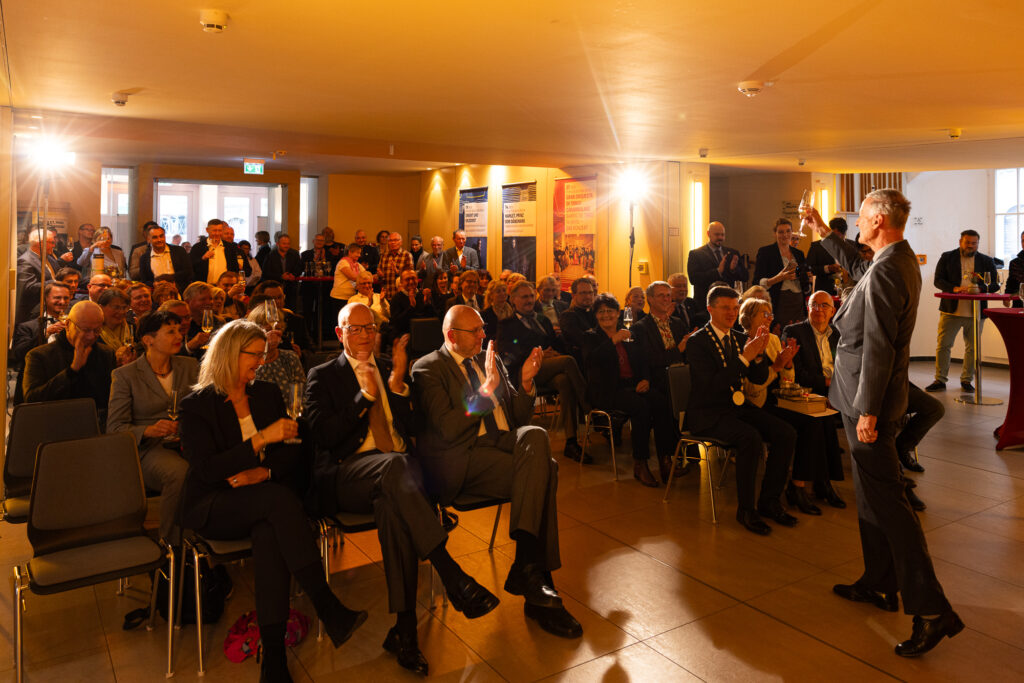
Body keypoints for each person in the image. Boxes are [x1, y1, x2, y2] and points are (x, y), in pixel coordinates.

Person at [804, 189, 962, 657]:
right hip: (863, 400)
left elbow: (878, 345)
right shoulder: (894, 259)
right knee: (873, 500)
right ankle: (878, 582)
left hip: (867, 403)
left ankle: (932, 610)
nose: (857, 225)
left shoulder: (889, 267)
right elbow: (859, 269)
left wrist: (869, 409)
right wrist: (820, 232)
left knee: (890, 504)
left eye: (861, 218)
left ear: (875, 220)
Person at [306, 303, 498, 674]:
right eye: (355, 329)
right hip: (347, 475)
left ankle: (405, 632)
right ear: (339, 333)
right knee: (397, 470)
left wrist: (397, 385)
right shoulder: (323, 374)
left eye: (370, 328)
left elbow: (412, 427)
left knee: (395, 508)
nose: (364, 335)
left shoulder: (389, 368)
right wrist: (364, 398)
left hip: (395, 477)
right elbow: (325, 436)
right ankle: (450, 573)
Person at [178, 319, 368, 681]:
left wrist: (264, 472)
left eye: (264, 355)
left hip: (264, 497)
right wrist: (260, 439)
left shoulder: (265, 393)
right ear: (231, 354)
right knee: (278, 503)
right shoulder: (196, 406)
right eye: (255, 355)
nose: (262, 362)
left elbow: (291, 452)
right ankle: (326, 604)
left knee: (269, 531)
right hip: (215, 503)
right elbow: (206, 470)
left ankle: (274, 658)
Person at [411, 305, 582, 640]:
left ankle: (528, 569)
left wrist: (527, 382)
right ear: (451, 336)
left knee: (536, 436)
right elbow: (447, 428)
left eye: (482, 328)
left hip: (504, 443)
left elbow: (519, 419)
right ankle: (536, 584)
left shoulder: (489, 359)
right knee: (545, 471)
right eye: (474, 331)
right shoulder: (427, 368)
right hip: (465, 456)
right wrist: (486, 390)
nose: (482, 336)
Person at [685, 286, 797, 535]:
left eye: (735, 308)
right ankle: (746, 509)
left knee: (786, 433)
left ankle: (769, 500)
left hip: (736, 407)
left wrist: (761, 356)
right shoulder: (697, 342)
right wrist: (745, 358)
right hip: (708, 412)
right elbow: (711, 387)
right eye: (725, 308)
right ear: (710, 309)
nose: (732, 313)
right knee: (750, 438)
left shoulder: (738, 337)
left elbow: (757, 379)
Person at [107, 310, 197, 542]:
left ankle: (206, 538)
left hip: (188, 440)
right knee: (180, 473)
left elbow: (204, 405)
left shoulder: (189, 366)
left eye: (179, 330)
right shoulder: (125, 376)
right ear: (148, 340)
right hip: (149, 448)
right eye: (170, 332)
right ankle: (173, 546)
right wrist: (148, 430)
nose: (179, 336)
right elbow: (115, 428)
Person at [582, 294, 675, 486]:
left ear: (618, 314)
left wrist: (645, 379)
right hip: (608, 392)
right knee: (641, 407)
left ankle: (666, 459)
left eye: (610, 311)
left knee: (661, 401)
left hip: (632, 386)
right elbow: (592, 360)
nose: (606, 315)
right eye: (601, 312)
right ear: (596, 315)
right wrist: (613, 340)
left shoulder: (629, 334)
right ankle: (640, 463)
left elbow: (643, 361)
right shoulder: (590, 336)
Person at [498, 281, 588, 462]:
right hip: (523, 372)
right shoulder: (507, 324)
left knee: (564, 381)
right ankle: (589, 407)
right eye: (524, 297)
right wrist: (538, 354)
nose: (529, 300)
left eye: (531, 296)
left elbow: (554, 343)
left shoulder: (542, 319)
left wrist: (556, 349)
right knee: (568, 361)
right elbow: (506, 354)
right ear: (513, 300)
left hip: (548, 368)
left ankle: (571, 442)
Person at [780, 292, 847, 512]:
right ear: (807, 308)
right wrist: (829, 382)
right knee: (820, 419)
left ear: (832, 311)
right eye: (814, 305)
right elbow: (797, 374)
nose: (818, 310)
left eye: (824, 306)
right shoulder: (795, 332)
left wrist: (839, 386)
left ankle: (819, 482)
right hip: (807, 392)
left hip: (838, 391)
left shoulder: (839, 334)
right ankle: (812, 484)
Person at [927, 229, 1000, 392]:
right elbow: (938, 280)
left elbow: (995, 284)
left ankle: (967, 380)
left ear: (978, 244)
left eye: (974, 243)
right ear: (960, 242)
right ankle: (940, 380)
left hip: (976, 312)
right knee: (943, 345)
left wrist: (980, 289)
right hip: (950, 311)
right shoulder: (947, 257)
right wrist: (954, 288)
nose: (971, 246)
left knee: (972, 348)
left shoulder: (987, 261)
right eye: (967, 242)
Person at [23, 300, 116, 426]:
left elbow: (110, 398)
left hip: (96, 426)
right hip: (53, 425)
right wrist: (72, 370)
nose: (91, 336)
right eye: (85, 330)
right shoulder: (39, 356)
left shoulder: (106, 353)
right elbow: (32, 399)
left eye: (97, 330)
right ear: (67, 324)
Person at [632, 281, 693, 400]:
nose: (666, 299)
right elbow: (650, 360)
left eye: (668, 295)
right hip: (660, 382)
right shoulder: (640, 328)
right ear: (650, 299)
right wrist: (678, 349)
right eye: (661, 295)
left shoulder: (678, 323)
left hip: (683, 376)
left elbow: (687, 354)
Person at [752, 218, 811, 329]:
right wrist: (778, 278)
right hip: (779, 302)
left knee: (798, 336)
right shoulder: (766, 252)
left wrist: (798, 273)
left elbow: (801, 273)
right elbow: (756, 282)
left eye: (788, 231)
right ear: (775, 234)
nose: (785, 235)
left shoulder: (799, 254)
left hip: (798, 302)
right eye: (781, 232)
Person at [246, 303, 306, 404]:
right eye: (268, 330)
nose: (274, 333)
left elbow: (300, 396)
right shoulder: (248, 360)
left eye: (277, 328)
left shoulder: (289, 357)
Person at [687, 221, 748, 306]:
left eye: (722, 235)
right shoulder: (696, 254)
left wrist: (733, 270)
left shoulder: (733, 253)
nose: (720, 237)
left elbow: (745, 276)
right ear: (708, 234)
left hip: (729, 302)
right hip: (705, 303)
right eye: (717, 234)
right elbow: (694, 279)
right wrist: (717, 271)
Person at [16, 228, 62, 324]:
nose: (54, 245)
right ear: (40, 243)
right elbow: (28, 288)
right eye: (52, 242)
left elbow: (60, 275)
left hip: (53, 307)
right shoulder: (25, 261)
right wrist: (54, 283)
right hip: (35, 313)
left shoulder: (49, 258)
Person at [132, 223, 193, 293]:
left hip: (179, 293)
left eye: (161, 236)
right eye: (155, 237)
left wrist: (170, 279)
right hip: (157, 296)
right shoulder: (144, 258)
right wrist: (154, 284)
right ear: (148, 240)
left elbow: (189, 272)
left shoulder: (179, 251)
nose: (159, 240)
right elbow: (144, 281)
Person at [558, 277, 598, 366]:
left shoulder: (597, 313)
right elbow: (582, 341)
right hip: (581, 361)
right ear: (573, 295)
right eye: (583, 293)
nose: (587, 296)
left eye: (590, 293)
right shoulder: (567, 316)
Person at [805, 217, 849, 296]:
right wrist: (827, 268)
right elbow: (809, 269)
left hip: (847, 291)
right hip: (824, 290)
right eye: (835, 236)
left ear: (845, 233)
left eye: (840, 237)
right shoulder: (817, 246)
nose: (837, 240)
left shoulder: (852, 246)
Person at [190, 219, 242, 285]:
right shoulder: (198, 247)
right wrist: (203, 258)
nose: (217, 233)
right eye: (214, 230)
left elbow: (234, 268)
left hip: (225, 286)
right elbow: (190, 267)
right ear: (207, 230)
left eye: (219, 230)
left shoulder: (230, 247)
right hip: (204, 286)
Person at [388, 269, 434, 340]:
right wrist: (411, 307)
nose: (411, 282)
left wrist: (428, 304)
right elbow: (397, 324)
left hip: (423, 331)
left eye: (413, 278)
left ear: (417, 280)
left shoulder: (423, 294)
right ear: (401, 282)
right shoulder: (396, 298)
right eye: (407, 279)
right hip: (405, 333)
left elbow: (432, 318)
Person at [260, 233, 303, 309]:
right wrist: (281, 276)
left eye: (288, 244)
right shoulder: (270, 255)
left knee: (291, 309)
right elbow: (265, 273)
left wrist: (294, 274)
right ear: (277, 244)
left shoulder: (294, 254)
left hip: (291, 288)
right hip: (275, 288)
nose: (286, 246)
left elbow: (300, 267)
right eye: (284, 244)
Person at [98, 288, 137, 366]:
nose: (121, 312)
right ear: (101, 307)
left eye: (124, 308)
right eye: (116, 307)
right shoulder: (93, 333)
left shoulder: (132, 328)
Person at [377, 232, 414, 300]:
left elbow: (410, 278)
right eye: (390, 240)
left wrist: (397, 272)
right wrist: (380, 276)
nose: (393, 242)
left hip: (401, 295)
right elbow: (380, 277)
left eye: (396, 240)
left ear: (401, 242)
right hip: (386, 295)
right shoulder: (384, 256)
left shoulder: (407, 255)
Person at [331, 242, 365, 306]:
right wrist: (365, 278)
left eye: (360, 253)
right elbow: (353, 277)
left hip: (351, 297)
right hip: (339, 297)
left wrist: (376, 276)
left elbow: (366, 275)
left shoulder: (356, 264)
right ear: (350, 252)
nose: (359, 255)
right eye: (357, 253)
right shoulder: (343, 262)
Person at [1005, 231, 1024, 308]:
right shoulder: (1014, 262)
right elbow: (1011, 282)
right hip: (1019, 304)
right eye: (1023, 241)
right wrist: (1006, 297)